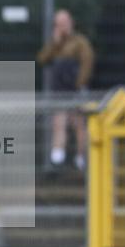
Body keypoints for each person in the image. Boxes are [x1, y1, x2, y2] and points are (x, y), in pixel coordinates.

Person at [37, 9, 95, 170]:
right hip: (59, 90)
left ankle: (80, 157)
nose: (61, 26)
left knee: (78, 123)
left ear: (70, 23)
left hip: (74, 89)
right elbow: (42, 59)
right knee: (59, 122)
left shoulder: (79, 42)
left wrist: (79, 84)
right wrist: (55, 43)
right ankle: (58, 157)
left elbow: (87, 63)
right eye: (58, 23)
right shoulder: (55, 44)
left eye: (64, 22)